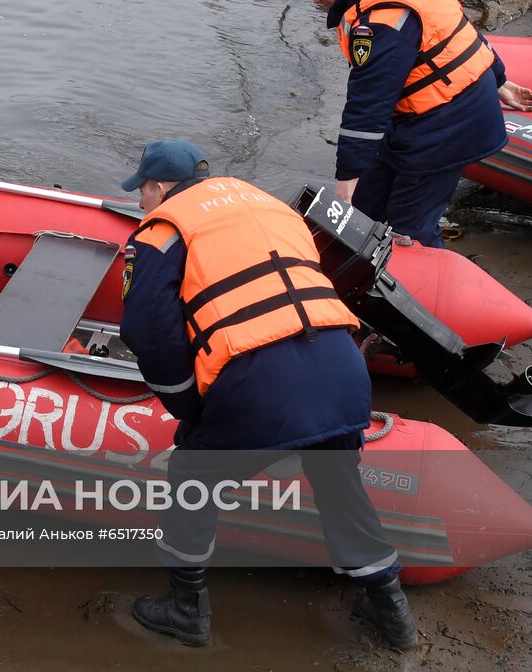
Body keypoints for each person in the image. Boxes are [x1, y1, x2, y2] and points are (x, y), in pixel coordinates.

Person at [117, 140, 417, 650]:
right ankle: (392, 609)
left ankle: (186, 610)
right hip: (343, 368)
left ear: (159, 188)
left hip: (260, 383)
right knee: (338, 482)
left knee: (192, 476)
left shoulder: (162, 232)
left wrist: (193, 411)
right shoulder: (268, 205)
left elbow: (148, 333)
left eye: (142, 193)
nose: (141, 204)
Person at [287, 0, 532, 247]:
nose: (315, 0)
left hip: (450, 122)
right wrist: (499, 79)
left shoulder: (378, 24)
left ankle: (427, 284)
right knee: (367, 203)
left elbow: (367, 106)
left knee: (410, 227)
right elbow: (459, 30)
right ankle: (352, 269)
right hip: (426, 113)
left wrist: (344, 183)